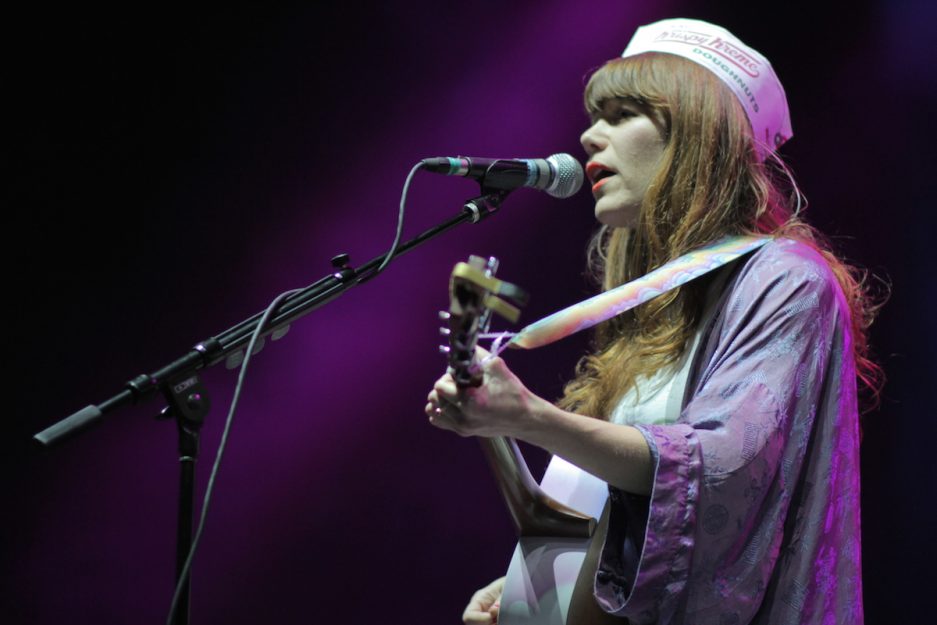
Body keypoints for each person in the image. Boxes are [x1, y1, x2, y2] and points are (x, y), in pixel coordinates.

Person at [425, 18, 880, 625]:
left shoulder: (787, 279)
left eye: (623, 114)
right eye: (595, 116)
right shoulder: (655, 310)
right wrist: (542, 586)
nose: (589, 135)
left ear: (697, 133)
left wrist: (530, 417)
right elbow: (632, 515)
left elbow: (720, 472)